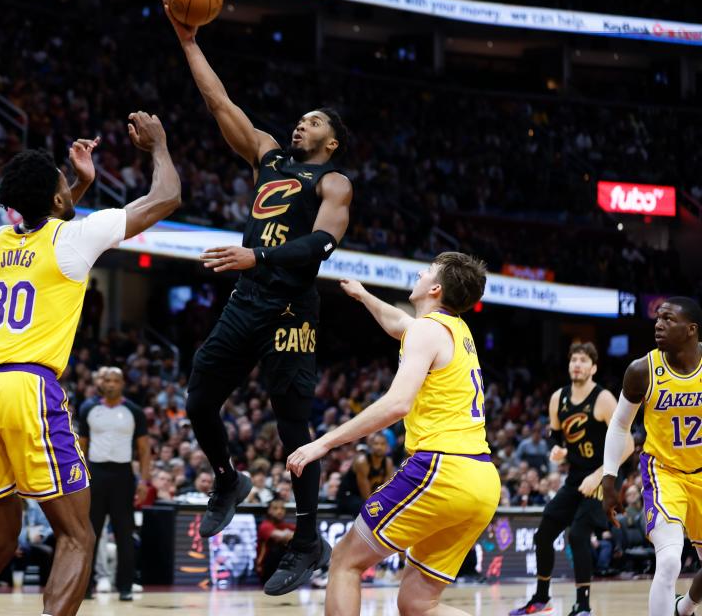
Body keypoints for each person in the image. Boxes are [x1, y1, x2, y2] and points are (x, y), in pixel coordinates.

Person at [0, 114, 181, 616]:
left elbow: (43, 213)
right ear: (54, 201)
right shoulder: (73, 239)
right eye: (60, 188)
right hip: (28, 386)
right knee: (77, 536)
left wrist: (80, 182)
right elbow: (166, 199)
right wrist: (158, 147)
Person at [164, 0, 354, 596]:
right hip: (249, 296)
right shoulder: (268, 155)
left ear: (331, 143)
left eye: (315, 121)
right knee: (198, 397)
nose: (303, 123)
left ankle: (307, 539)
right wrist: (189, 42)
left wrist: (258, 255)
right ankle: (226, 478)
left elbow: (322, 244)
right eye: (302, 118)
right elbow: (220, 102)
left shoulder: (334, 182)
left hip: (292, 304)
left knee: (292, 425)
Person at [286, 254, 501, 616]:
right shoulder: (456, 330)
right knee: (418, 604)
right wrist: (364, 296)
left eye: (428, 270)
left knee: (344, 560)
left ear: (435, 288)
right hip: (481, 479)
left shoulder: (427, 331)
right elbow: (399, 322)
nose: (419, 272)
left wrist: (323, 442)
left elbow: (397, 404)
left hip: (441, 470)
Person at [510, 342, 632, 616]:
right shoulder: (558, 398)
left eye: (583, 360)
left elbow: (627, 446)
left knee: (578, 534)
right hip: (577, 477)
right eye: (573, 359)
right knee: (543, 535)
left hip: (606, 475)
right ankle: (541, 599)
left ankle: (583, 606)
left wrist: (599, 475)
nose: (577, 364)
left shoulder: (603, 399)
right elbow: (557, 437)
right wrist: (560, 450)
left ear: (594, 367)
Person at [602, 297, 702, 616]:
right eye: (657, 318)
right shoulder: (642, 370)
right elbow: (619, 424)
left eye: (668, 319)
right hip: (664, 473)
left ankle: (683, 608)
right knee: (670, 558)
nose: (658, 324)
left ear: (691, 330)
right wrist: (608, 478)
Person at [78, 367, 150, 601]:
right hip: (95, 474)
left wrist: (144, 480)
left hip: (123, 475)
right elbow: (81, 447)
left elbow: (143, 450)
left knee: (124, 533)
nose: (110, 384)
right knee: (91, 533)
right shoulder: (89, 408)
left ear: (122, 384)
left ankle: (125, 586)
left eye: (115, 380)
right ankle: (85, 586)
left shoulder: (134, 411)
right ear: (101, 383)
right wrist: (79, 478)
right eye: (107, 380)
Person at [337, 433, 395, 516]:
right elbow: (366, 496)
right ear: (370, 446)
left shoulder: (388, 463)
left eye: (382, 444)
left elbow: (385, 490)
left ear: (387, 447)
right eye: (376, 444)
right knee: (367, 508)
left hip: (367, 496)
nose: (379, 447)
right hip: (349, 495)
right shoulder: (362, 462)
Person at [256, 499, 295, 584]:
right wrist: (289, 535)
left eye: (282, 508)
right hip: (266, 571)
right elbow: (283, 536)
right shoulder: (265, 526)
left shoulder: (287, 526)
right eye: (275, 508)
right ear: (269, 510)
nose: (279, 511)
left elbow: (304, 535)